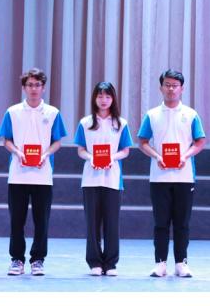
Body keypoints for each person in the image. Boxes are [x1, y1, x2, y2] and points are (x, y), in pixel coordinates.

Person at [138, 68, 206, 278]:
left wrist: (185, 156)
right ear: (161, 88)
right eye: (167, 85)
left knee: (182, 223)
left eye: (175, 85)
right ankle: (160, 262)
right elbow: (142, 141)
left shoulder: (191, 114)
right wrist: (157, 156)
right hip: (159, 177)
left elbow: (200, 141)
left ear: (182, 89)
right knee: (161, 222)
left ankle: (181, 263)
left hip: (184, 176)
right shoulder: (152, 115)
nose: (171, 89)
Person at [0, 68, 67, 276]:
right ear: (24, 88)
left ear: (43, 88)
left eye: (37, 85)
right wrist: (17, 152)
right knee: (16, 220)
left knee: (41, 220)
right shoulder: (12, 112)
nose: (34, 89)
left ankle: (38, 259)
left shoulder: (53, 113)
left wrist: (46, 154)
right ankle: (17, 259)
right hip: (18, 174)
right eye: (30, 85)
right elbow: (6, 140)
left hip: (43, 175)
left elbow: (57, 141)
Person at [74, 81, 133, 275]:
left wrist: (112, 158)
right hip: (91, 179)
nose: (104, 100)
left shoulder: (121, 123)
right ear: (94, 98)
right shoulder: (85, 123)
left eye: (108, 96)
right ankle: (94, 262)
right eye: (100, 96)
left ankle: (111, 263)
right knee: (92, 223)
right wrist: (91, 158)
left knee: (112, 222)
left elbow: (125, 151)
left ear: (113, 99)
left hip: (112, 179)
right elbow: (81, 150)